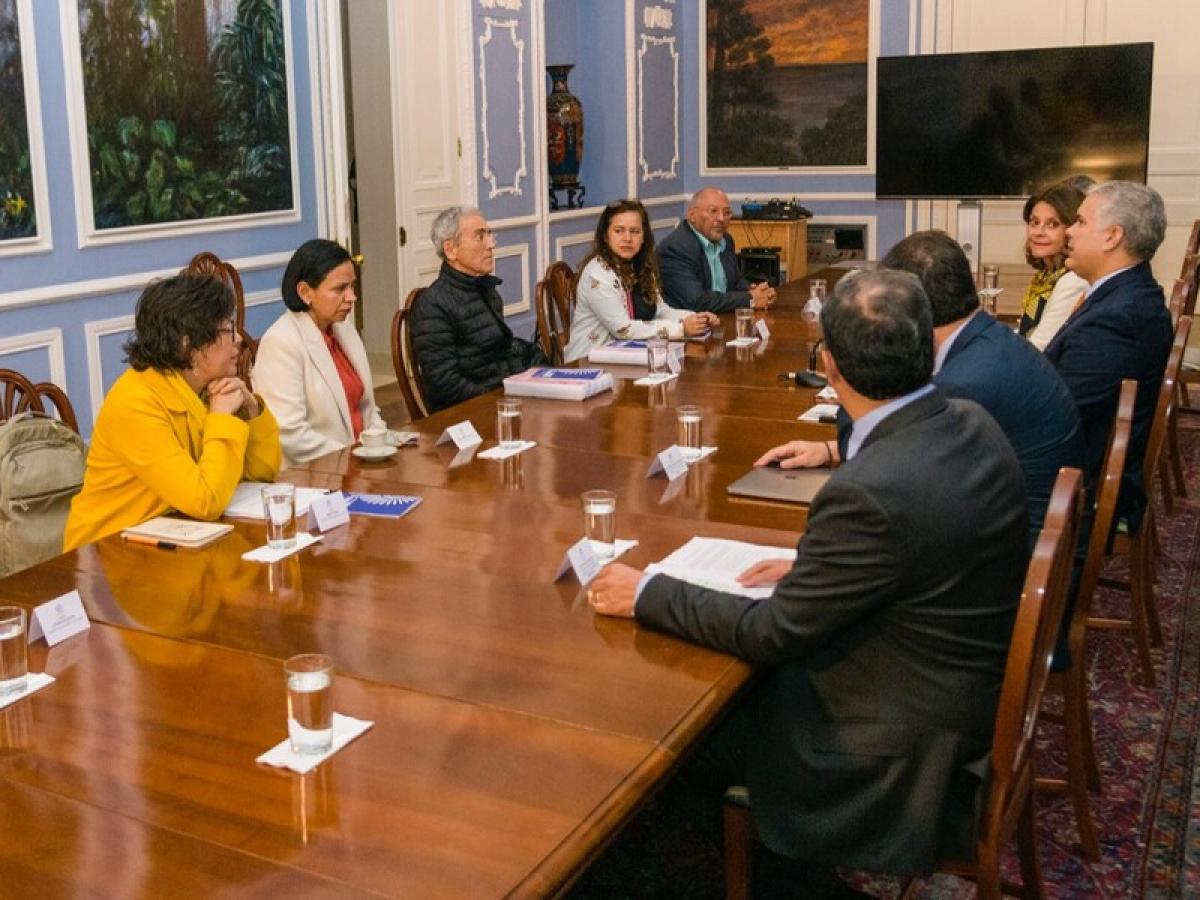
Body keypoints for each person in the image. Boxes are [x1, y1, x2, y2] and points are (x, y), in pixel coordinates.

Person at [589, 269, 1029, 889]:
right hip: (958, 692)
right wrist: (819, 566)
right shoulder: (969, 421)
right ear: (928, 346)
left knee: (679, 745)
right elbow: (923, 538)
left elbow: (774, 633)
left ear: (829, 365)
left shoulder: (866, 493)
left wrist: (647, 593)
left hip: (896, 749)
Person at [761, 231, 1084, 547]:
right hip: (1035, 529)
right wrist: (828, 451)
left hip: (1013, 552)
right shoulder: (985, 338)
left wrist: (845, 374)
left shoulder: (963, 384)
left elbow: (896, 478)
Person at [64, 275, 281, 551]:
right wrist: (223, 419)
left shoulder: (204, 389)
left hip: (175, 539)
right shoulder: (135, 402)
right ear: (187, 345)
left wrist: (252, 412)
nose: (238, 339)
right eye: (228, 329)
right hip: (110, 554)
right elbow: (205, 501)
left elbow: (261, 475)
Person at [1045, 180, 1172, 530]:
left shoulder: (1120, 318)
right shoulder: (1122, 294)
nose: (1069, 230)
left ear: (1112, 236)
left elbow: (1058, 410)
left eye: (1081, 222)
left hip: (1078, 483)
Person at [252, 239, 386, 467]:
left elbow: (367, 408)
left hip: (359, 465)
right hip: (312, 475)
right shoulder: (281, 342)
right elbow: (290, 434)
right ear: (305, 292)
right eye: (339, 289)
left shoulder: (344, 329)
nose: (352, 297)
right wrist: (353, 458)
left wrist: (378, 444)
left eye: (352, 286)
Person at [411, 206, 542, 413]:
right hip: (471, 415)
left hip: (503, 399)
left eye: (489, 235)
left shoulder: (484, 289)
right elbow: (444, 385)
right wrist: (503, 401)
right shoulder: (433, 305)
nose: (491, 244)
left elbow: (502, 350)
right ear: (451, 249)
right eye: (480, 237)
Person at [562, 200, 719, 362]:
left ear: (644, 236)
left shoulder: (640, 266)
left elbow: (660, 310)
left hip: (625, 358)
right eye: (619, 231)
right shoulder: (598, 274)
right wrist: (680, 328)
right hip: (586, 363)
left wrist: (697, 319)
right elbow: (624, 329)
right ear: (605, 237)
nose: (627, 238)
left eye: (635, 231)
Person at [657, 187, 776, 313]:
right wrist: (750, 299)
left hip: (722, 319)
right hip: (687, 326)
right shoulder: (675, 249)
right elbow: (697, 301)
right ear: (692, 216)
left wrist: (756, 291)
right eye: (713, 211)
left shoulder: (726, 240)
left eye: (726, 212)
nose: (721, 218)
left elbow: (735, 281)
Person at [1020, 181, 1089, 349]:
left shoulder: (1073, 281)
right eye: (1034, 222)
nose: (1038, 232)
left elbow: (1038, 348)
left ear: (1072, 229)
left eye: (1053, 224)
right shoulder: (1045, 276)